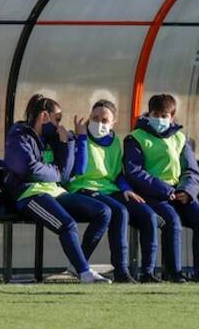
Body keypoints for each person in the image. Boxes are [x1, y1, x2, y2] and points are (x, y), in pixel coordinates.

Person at [3, 94, 112, 284]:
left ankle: (77, 265)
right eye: (57, 119)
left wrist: (67, 143)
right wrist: (57, 173)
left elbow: (69, 173)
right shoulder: (18, 135)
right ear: (44, 116)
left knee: (103, 211)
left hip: (56, 191)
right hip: (30, 194)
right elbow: (29, 169)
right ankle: (85, 272)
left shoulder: (53, 138)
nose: (58, 125)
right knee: (67, 224)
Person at [67, 99, 161, 284]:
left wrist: (126, 189)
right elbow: (79, 169)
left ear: (113, 123)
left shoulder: (115, 142)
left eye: (104, 120)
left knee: (148, 214)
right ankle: (120, 270)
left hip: (109, 190)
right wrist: (82, 138)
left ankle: (148, 272)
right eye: (95, 118)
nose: (99, 123)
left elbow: (117, 173)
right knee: (119, 211)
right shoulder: (77, 137)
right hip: (83, 188)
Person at [123, 94, 199, 282]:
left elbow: (191, 171)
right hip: (152, 195)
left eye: (165, 115)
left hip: (179, 194)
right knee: (172, 221)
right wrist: (165, 190)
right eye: (156, 114)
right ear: (148, 114)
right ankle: (174, 273)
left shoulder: (180, 139)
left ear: (172, 117)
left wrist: (187, 191)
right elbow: (134, 172)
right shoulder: (136, 138)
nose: (160, 119)